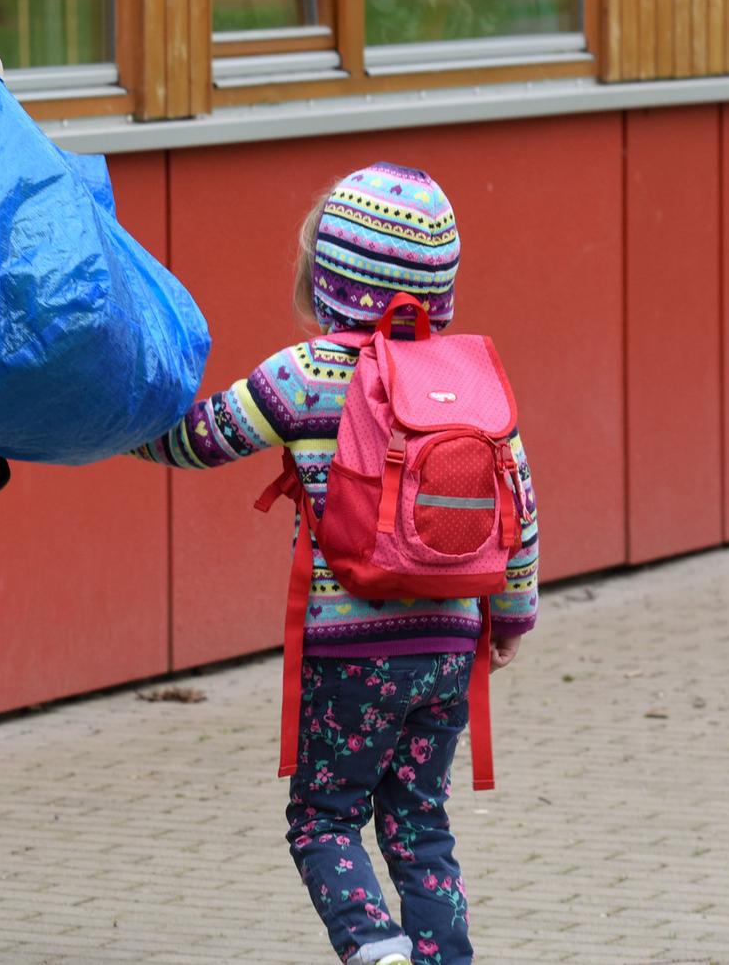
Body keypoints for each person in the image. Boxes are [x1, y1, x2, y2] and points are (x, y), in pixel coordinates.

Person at [128, 162, 541, 965]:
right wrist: (514, 617)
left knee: (323, 817)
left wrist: (110, 421)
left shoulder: (305, 373)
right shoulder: (472, 382)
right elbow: (519, 509)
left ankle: (373, 946)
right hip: (451, 643)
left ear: (331, 275)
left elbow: (195, 438)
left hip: (350, 652)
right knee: (421, 822)